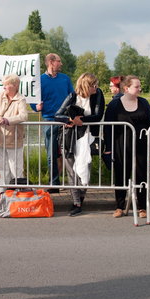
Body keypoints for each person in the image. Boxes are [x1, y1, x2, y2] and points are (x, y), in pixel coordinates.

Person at [104, 75, 150, 219]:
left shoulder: (144, 103)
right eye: (137, 86)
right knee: (121, 174)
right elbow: (108, 128)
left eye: (140, 86)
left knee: (142, 175)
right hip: (120, 144)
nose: (140, 89)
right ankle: (119, 207)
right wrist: (108, 147)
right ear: (126, 88)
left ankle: (142, 207)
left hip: (142, 144)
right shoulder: (115, 104)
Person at [55, 73, 105, 216]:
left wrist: (82, 120)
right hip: (70, 138)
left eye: (96, 85)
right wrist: (69, 120)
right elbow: (57, 115)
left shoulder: (98, 94)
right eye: (93, 85)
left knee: (85, 168)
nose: (96, 87)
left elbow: (98, 115)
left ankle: (81, 198)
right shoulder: (72, 96)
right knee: (72, 171)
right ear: (85, 86)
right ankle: (76, 202)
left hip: (88, 137)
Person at [31, 53, 74, 192]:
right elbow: (33, 100)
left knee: (69, 152)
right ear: (51, 62)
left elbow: (73, 97)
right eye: (59, 61)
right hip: (49, 120)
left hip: (66, 121)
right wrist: (35, 107)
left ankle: (73, 182)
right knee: (51, 153)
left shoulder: (65, 79)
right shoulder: (39, 80)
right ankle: (54, 183)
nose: (61, 64)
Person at [0, 74, 28, 190]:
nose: (4, 87)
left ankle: (18, 191)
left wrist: (7, 120)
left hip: (14, 138)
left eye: (6, 84)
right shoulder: (0, 96)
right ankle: (4, 191)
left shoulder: (20, 99)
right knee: (3, 167)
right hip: (0, 138)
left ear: (15, 85)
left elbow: (23, 116)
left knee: (16, 167)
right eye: (4, 84)